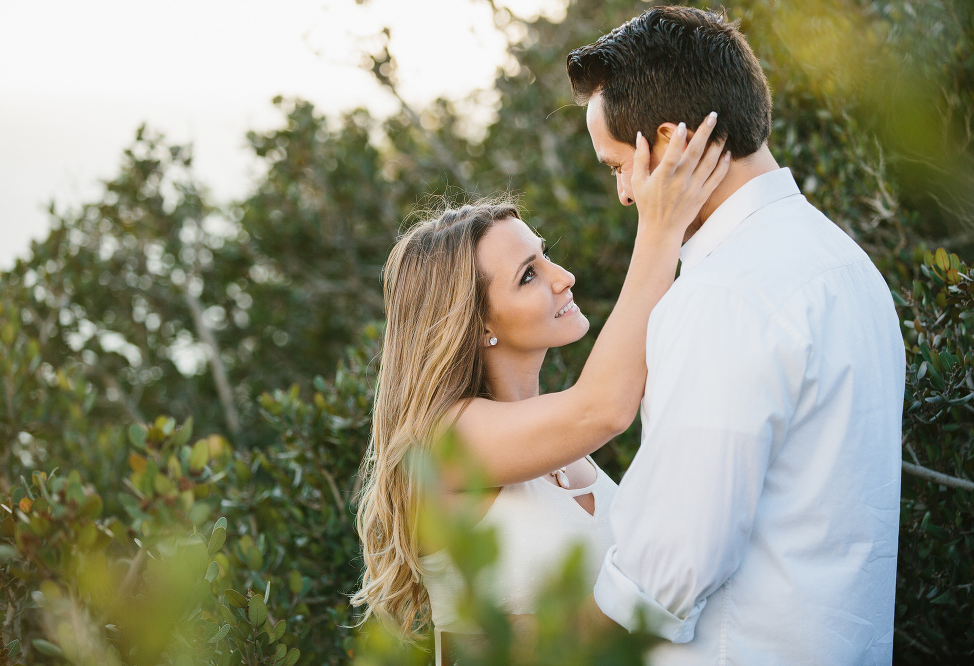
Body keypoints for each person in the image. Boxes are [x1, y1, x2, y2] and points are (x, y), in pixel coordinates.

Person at [566, 6, 905, 664]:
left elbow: (667, 564)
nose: (624, 196)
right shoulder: (847, 264)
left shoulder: (726, 293)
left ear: (666, 145)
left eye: (617, 166)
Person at [351, 116, 730, 663]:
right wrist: (661, 228)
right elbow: (603, 408)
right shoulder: (445, 440)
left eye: (544, 255)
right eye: (529, 274)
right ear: (475, 322)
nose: (563, 276)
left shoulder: (558, 441)